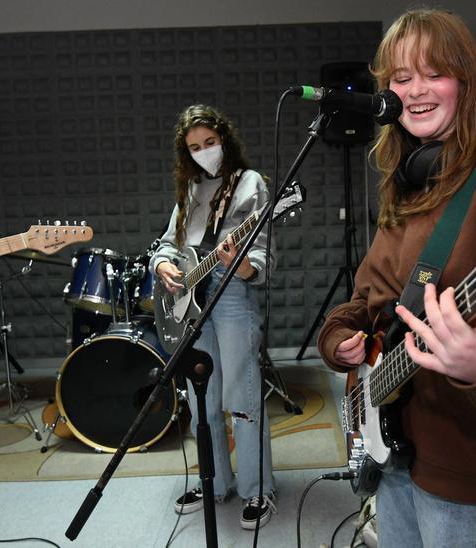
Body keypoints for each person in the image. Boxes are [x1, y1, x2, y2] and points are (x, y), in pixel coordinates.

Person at [317, 9, 476, 547]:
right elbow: (368, 298)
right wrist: (337, 340)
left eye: (433, 73)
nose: (415, 90)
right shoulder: (408, 187)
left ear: (466, 82)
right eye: (400, 77)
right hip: (397, 454)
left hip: (472, 471)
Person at [150, 104, 276, 529]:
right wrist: (163, 265)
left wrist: (239, 264)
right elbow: (168, 243)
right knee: (202, 394)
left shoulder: (250, 184)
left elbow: (261, 257)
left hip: (232, 297)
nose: (205, 152)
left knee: (241, 396)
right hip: (191, 305)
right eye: (195, 147)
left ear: (225, 139)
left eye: (210, 143)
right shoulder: (189, 191)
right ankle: (215, 481)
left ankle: (258, 489)